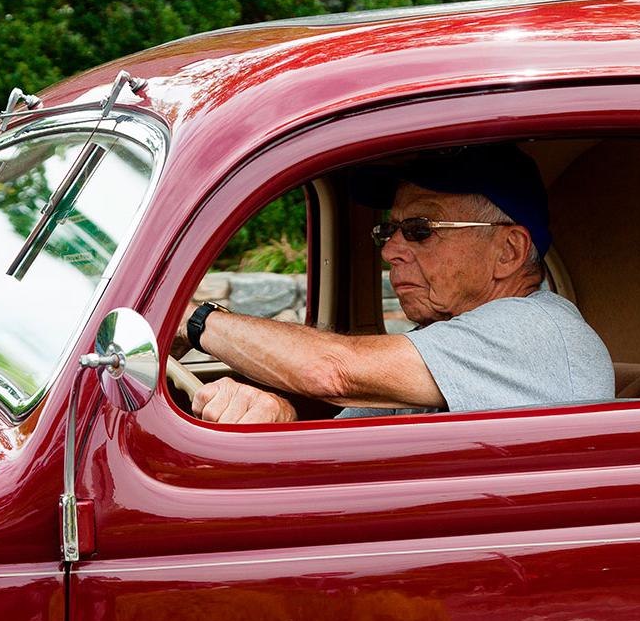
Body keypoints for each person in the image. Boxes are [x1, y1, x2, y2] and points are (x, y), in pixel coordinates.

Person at [180, 144, 614, 424]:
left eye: (420, 229)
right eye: (390, 232)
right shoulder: (447, 345)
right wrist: (279, 419)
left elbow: (332, 370)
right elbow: (348, 457)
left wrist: (194, 319)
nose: (390, 251)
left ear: (509, 252)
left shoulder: (535, 331)